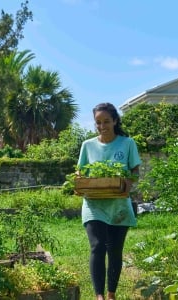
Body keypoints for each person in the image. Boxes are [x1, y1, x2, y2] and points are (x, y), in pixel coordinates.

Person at [77, 103, 141, 300]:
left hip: (118, 205)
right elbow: (80, 172)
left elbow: (135, 171)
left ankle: (111, 293)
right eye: (98, 122)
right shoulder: (87, 145)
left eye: (106, 121)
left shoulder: (127, 143)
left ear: (115, 120)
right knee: (98, 246)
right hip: (93, 204)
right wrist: (81, 182)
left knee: (114, 249)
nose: (102, 126)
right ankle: (99, 296)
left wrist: (126, 187)